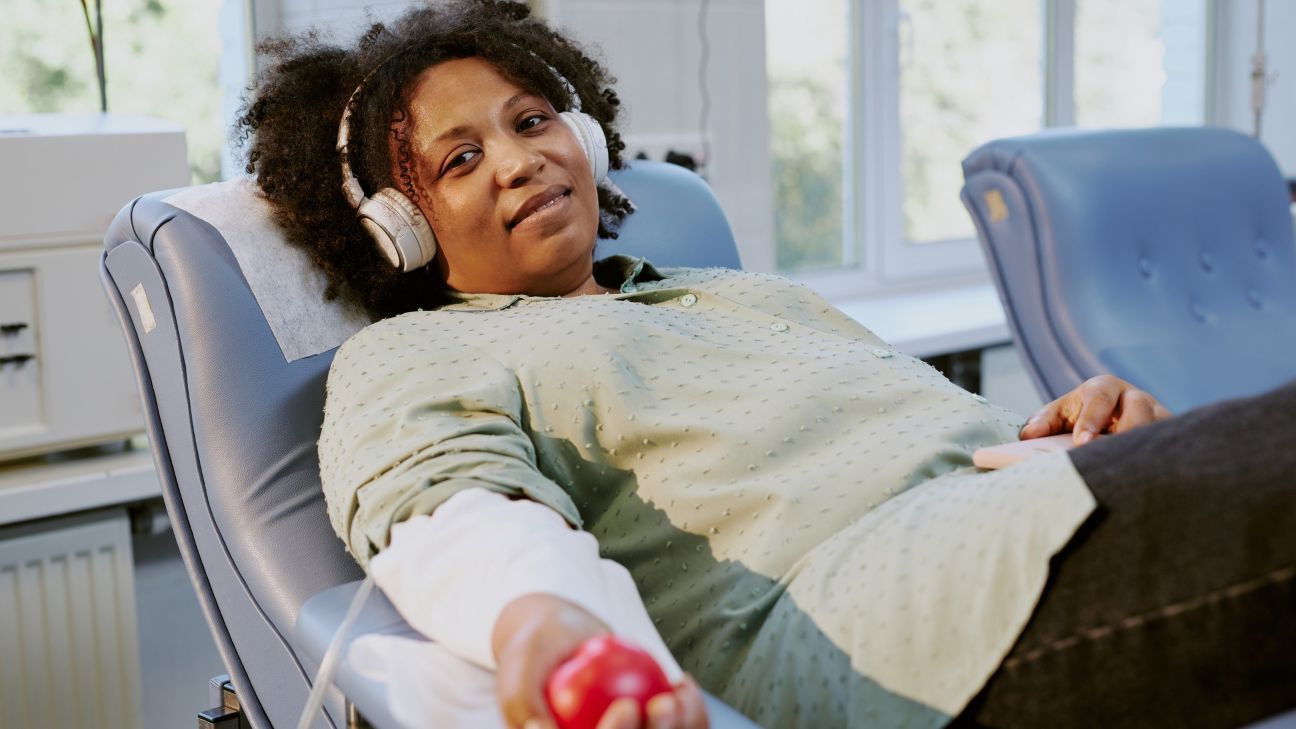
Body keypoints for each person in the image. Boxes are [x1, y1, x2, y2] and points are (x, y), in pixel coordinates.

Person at [237, 2, 1296, 727]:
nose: (519, 159)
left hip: (1014, 517)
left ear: (587, 138)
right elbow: (455, 519)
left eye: (531, 120)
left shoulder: (737, 294)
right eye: (459, 160)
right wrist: (546, 627)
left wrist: (1068, 432)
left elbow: (902, 433)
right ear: (395, 235)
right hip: (879, 621)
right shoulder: (415, 354)